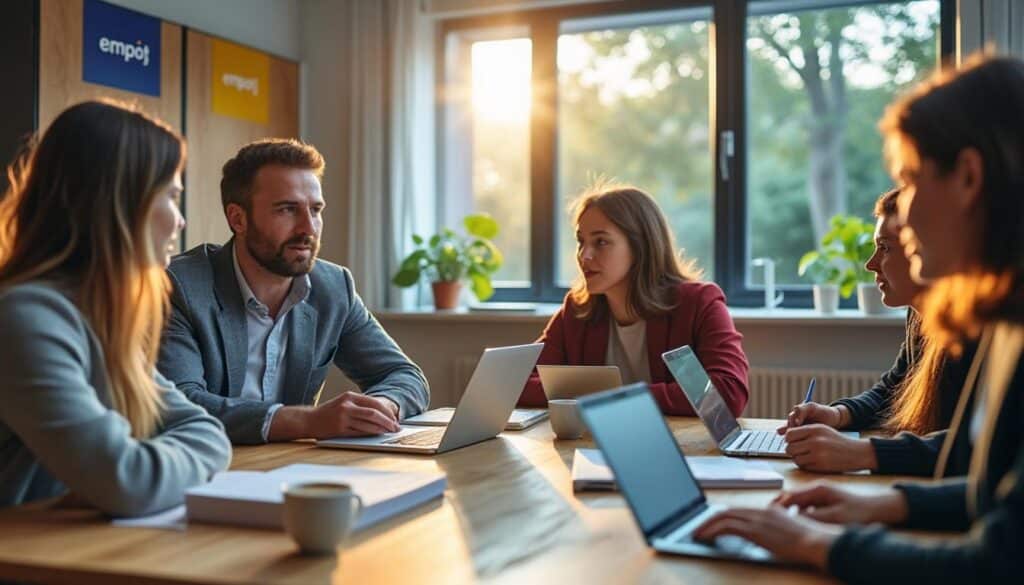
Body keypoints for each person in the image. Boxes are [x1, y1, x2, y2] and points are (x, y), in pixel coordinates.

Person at [694, 55, 1024, 582]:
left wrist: (815, 542)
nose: (904, 213)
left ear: (968, 177)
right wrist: (882, 504)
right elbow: (989, 489)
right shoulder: (1006, 319)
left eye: (910, 180)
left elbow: (998, 563)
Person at [0, 100, 231, 515]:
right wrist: (131, 477)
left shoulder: (98, 315)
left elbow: (205, 430)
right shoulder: (26, 319)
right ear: (121, 203)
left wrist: (133, 475)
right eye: (171, 197)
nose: (180, 221)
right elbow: (129, 481)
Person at [157, 139, 429, 444]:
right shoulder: (179, 286)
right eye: (287, 210)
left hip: (289, 463)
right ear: (238, 219)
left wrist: (382, 407)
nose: (308, 228)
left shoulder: (333, 287)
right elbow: (180, 402)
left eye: (315, 210)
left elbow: (404, 375)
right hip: (201, 462)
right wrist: (308, 421)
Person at [777, 188, 975, 475]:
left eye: (885, 248)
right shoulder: (920, 317)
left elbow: (982, 447)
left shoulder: (979, 332)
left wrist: (861, 452)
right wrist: (837, 414)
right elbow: (892, 389)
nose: (870, 264)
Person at [518, 183, 749, 416]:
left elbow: (727, 393)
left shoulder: (698, 303)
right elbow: (520, 383)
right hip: (601, 439)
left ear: (640, 247)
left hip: (679, 439)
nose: (584, 255)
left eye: (600, 242)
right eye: (581, 241)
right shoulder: (577, 310)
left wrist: (611, 397)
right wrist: (604, 396)